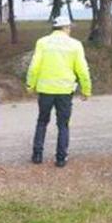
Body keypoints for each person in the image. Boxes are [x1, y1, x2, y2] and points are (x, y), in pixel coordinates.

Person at [26, 15, 92, 167]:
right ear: (66, 28)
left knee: (42, 121)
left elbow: (34, 66)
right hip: (65, 90)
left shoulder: (42, 42)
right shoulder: (75, 45)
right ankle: (61, 158)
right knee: (63, 124)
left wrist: (30, 85)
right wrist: (86, 89)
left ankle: (37, 154)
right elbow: (82, 69)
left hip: (45, 90)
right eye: (69, 28)